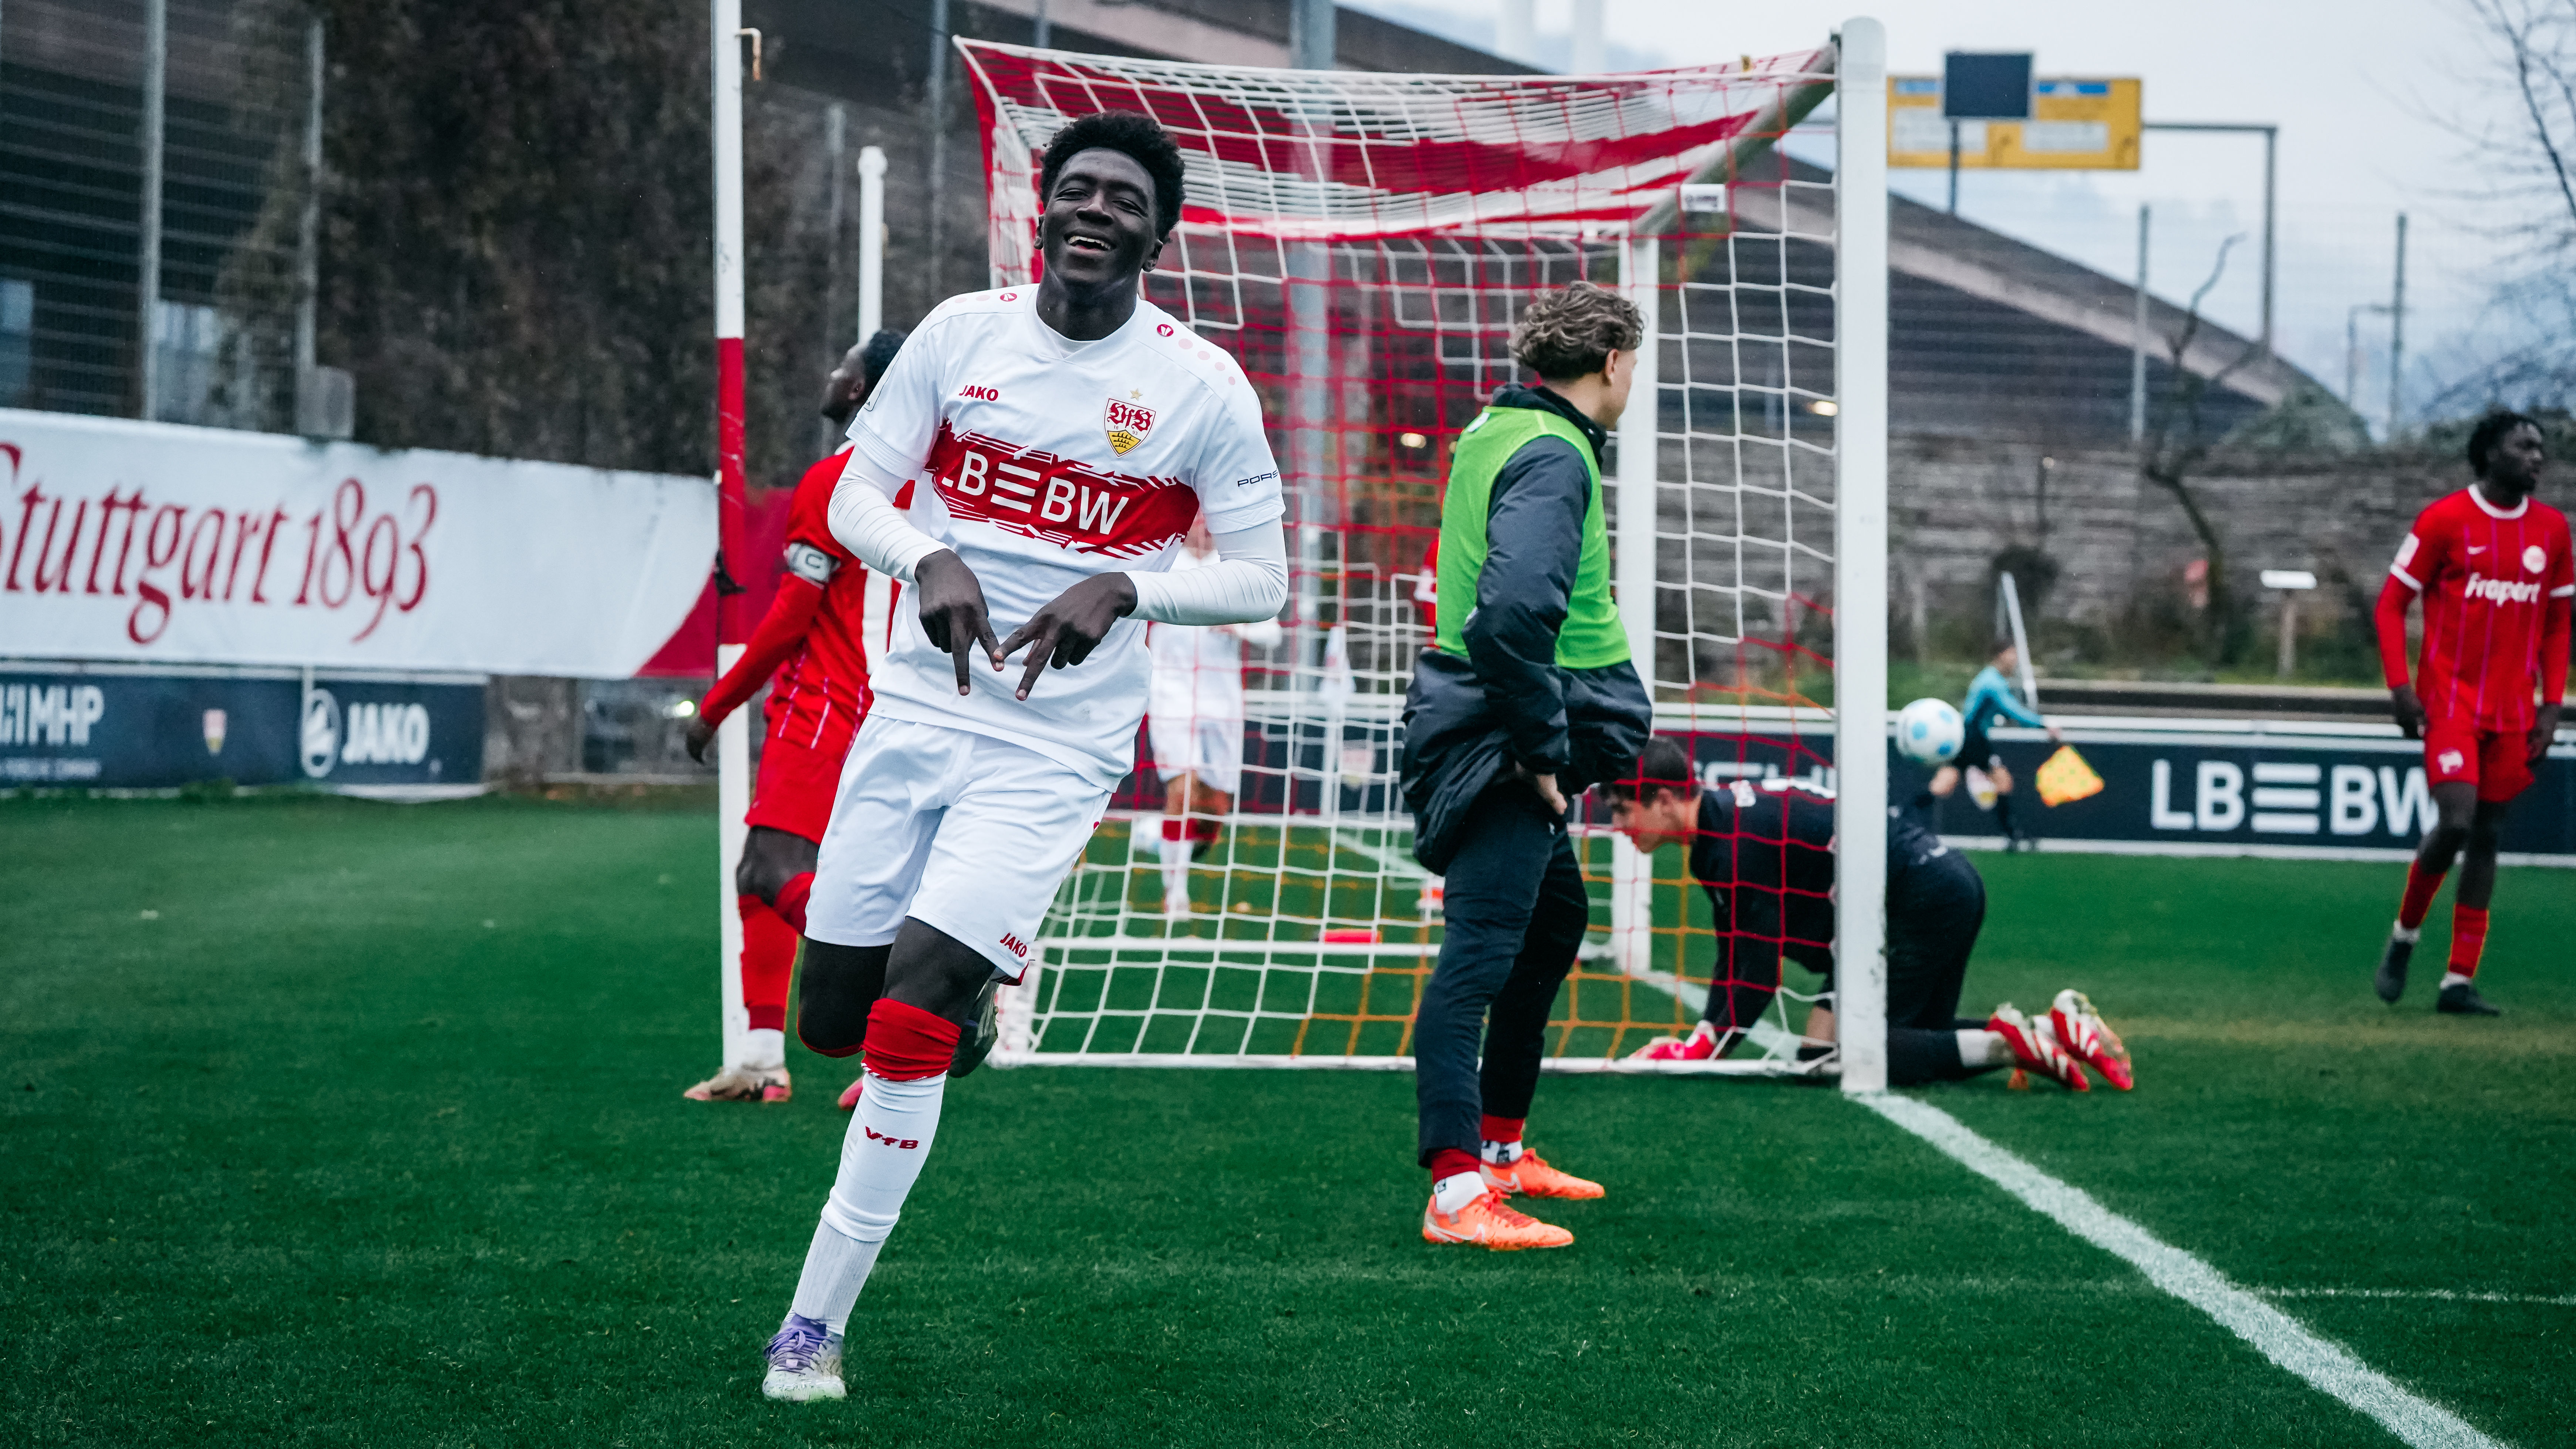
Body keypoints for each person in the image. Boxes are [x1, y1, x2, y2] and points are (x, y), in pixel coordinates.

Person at [757, 109, 1288, 1401]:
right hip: (915, 713)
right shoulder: (957, 336)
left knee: (900, 1021)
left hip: (1053, 749)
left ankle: (810, 1328)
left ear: (1160, 235)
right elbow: (854, 495)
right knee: (825, 1018)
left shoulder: (1202, 386)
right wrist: (922, 554)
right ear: (1039, 210)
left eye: (1125, 199)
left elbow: (1264, 580)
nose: (1097, 211)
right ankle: (960, 1013)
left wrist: (1130, 584)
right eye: (1078, 190)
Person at [1399, 281, 1652, 1253]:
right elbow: (1507, 615)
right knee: (1481, 954)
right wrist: (1543, 752)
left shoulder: (1499, 429)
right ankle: (1457, 1188)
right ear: (1611, 364)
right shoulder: (1553, 453)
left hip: (1492, 717)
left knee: (1553, 922)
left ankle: (1501, 1149)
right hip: (1502, 732)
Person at [1605, 737, 2130, 1092]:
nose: (1618, 826)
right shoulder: (1723, 828)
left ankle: (2016, 1044)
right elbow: (1740, 955)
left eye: (1623, 810)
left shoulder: (1731, 845)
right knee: (1844, 1054)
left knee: (1868, 1053)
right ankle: (2055, 1029)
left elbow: (1755, 973)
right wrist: (1705, 1040)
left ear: (1666, 800)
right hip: (1929, 889)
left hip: (1921, 897)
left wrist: (1701, 1050)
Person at [680, 329, 907, 1105]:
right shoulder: (931, 485)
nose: (831, 370)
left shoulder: (835, 482)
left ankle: (899, 989)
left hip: (825, 709)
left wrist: (715, 706)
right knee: (789, 881)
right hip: (903, 715)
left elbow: (788, 616)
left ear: (861, 391)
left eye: (843, 363)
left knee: (769, 871)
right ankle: (766, 1060)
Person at [2370, 410, 2569, 1016]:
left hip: (2512, 711)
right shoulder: (2443, 519)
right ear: (2487, 454)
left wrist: (2551, 704)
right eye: (2523, 445)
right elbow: (2388, 606)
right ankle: (2403, 937)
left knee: (2487, 834)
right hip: (2449, 702)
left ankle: (2456, 980)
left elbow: (2559, 624)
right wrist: (2400, 689)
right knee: (2454, 822)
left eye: (2540, 447)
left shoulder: (2551, 531)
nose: (2536, 456)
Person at [1146, 515, 1284, 918]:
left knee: (1213, 811)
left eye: (1208, 520)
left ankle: (1162, 841)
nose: (1201, 527)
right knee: (1182, 791)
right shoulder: (1164, 561)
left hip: (1222, 702)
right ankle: (1175, 892)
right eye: (1195, 520)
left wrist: (1237, 626)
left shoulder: (1234, 567)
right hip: (1170, 695)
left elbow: (1271, 632)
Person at [1927, 641, 2061, 849]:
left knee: (1946, 782)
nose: (2015, 659)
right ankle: (2014, 836)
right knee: (2001, 781)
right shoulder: (1993, 682)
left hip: (1969, 735)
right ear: (2000, 655)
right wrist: (2043, 724)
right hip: (1973, 737)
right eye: (2012, 654)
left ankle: (1912, 819)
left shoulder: (1990, 679)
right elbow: (2012, 710)